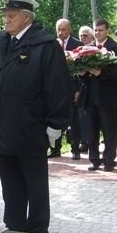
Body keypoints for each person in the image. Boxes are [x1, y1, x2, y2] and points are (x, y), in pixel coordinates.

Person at [0, 0, 72, 233]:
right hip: (2, 123)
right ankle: (14, 226)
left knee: (35, 184)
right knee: (10, 183)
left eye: (11, 16)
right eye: (4, 15)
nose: (5, 20)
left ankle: (38, 230)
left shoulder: (45, 45)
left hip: (30, 126)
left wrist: (56, 123)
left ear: (26, 17)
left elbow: (58, 86)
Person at [78, 18, 117, 172]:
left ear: (107, 31)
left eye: (101, 30)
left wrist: (100, 72)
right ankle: (94, 160)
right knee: (91, 130)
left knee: (109, 131)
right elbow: (82, 72)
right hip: (90, 96)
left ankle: (109, 160)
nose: (97, 33)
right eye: (96, 30)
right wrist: (81, 72)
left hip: (108, 96)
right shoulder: (87, 48)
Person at [49, 18, 83, 159]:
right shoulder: (50, 44)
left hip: (72, 88)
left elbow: (82, 70)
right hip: (55, 89)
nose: (61, 32)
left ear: (69, 30)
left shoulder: (78, 45)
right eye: (59, 29)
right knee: (54, 119)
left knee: (74, 119)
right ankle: (55, 149)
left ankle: (75, 149)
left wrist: (78, 90)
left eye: (64, 29)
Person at [77, 25, 95, 153]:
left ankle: (93, 143)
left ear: (91, 36)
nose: (82, 37)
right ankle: (85, 142)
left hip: (97, 90)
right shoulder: (78, 50)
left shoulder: (97, 49)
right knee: (83, 117)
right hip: (83, 90)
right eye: (81, 35)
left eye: (85, 35)